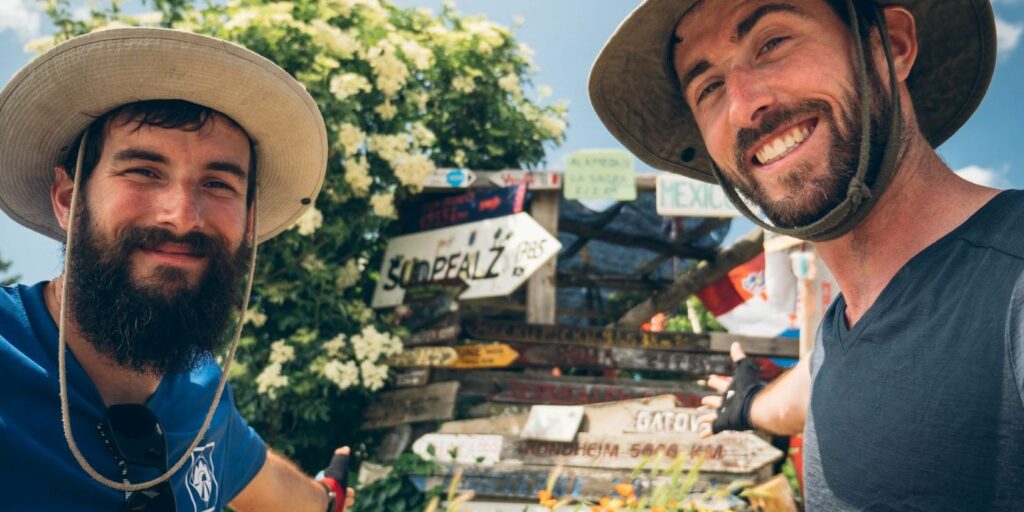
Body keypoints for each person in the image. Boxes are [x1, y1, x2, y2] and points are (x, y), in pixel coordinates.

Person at [591, 0, 1023, 509]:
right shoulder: (841, 333)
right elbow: (814, 386)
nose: (742, 106)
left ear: (891, 47)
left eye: (772, 43)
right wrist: (748, 404)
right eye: (708, 88)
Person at [0, 28, 356, 511]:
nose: (183, 216)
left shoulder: (201, 392)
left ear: (248, 222)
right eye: (144, 171)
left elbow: (274, 489)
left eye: (218, 183)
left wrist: (331, 495)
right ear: (68, 199)